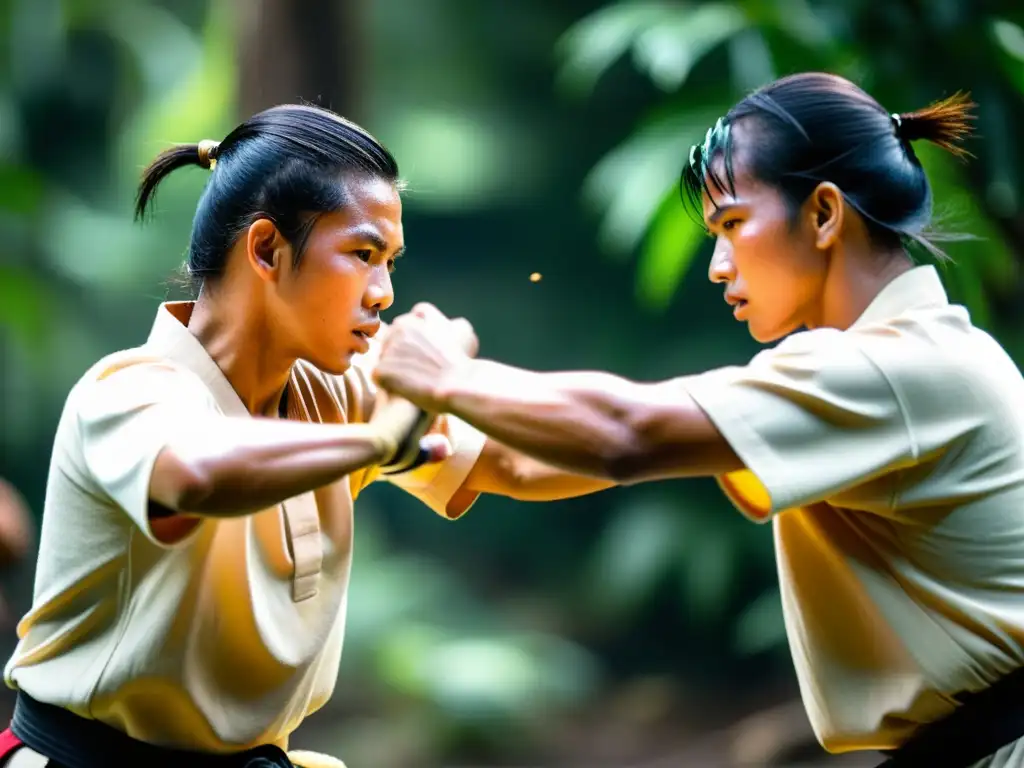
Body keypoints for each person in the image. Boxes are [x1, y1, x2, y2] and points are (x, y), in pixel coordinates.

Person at [374, 73, 1024, 768]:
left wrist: (449, 376)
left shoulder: (889, 369)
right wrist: (384, 435)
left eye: (733, 225)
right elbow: (532, 463)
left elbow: (625, 435)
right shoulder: (879, 364)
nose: (718, 266)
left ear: (825, 214)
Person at [0, 104, 613, 768]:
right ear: (265, 249)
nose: (382, 292)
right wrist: (379, 440)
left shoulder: (339, 390)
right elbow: (198, 475)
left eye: (389, 263)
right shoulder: (128, 391)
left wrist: (708, 433)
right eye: (362, 254)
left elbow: (514, 461)